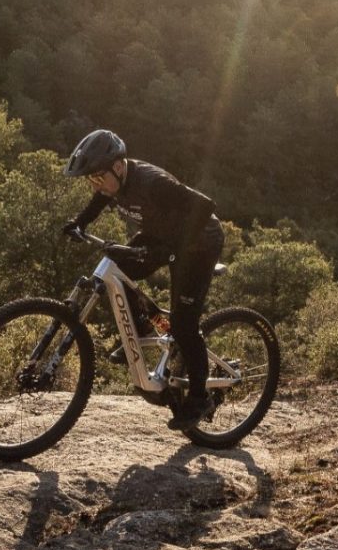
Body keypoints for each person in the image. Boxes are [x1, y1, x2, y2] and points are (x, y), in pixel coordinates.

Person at [61, 129, 223, 431]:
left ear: (118, 167)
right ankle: (144, 325)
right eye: (91, 179)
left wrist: (169, 249)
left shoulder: (153, 183)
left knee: (184, 324)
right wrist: (79, 223)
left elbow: (205, 206)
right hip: (161, 234)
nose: (96, 184)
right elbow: (100, 199)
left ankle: (200, 398)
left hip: (199, 242)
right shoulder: (114, 181)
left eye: (98, 177)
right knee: (118, 269)